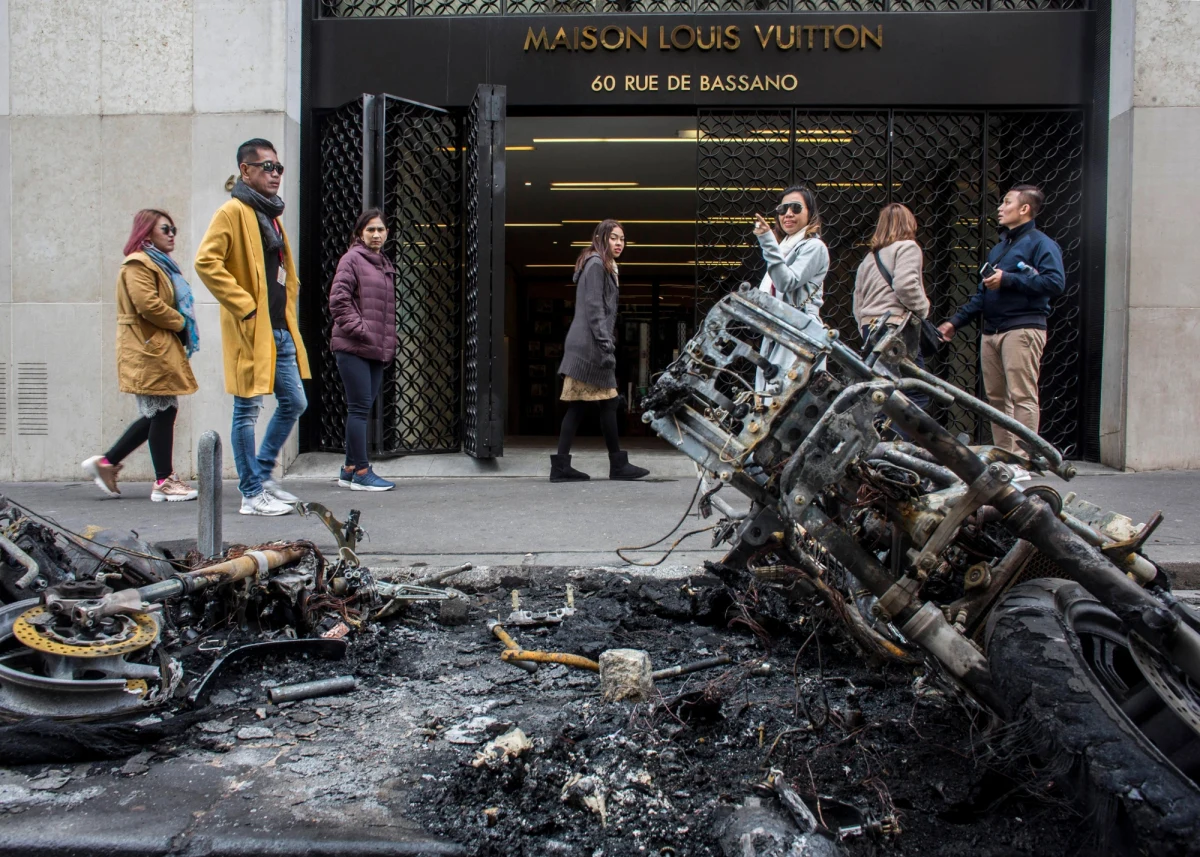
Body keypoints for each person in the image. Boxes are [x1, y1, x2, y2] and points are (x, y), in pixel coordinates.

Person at [195, 138, 310, 516]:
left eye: (279, 167)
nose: (276, 174)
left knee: (294, 402)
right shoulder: (233, 211)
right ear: (246, 170)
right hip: (252, 330)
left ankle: (263, 476)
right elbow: (206, 262)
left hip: (279, 329)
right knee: (247, 410)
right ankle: (250, 493)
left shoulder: (270, 214)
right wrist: (245, 308)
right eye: (267, 167)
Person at [937, 184, 1065, 459]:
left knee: (1022, 395)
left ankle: (1024, 458)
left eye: (1006, 202)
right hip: (992, 331)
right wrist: (954, 322)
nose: (1000, 208)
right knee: (996, 399)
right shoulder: (1000, 249)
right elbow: (982, 294)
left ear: (1024, 209)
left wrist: (1008, 279)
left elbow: (1055, 282)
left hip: (1022, 328)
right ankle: (1005, 457)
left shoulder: (1041, 243)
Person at [82, 210, 200, 501]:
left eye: (174, 228)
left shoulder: (159, 264)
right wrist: (181, 322)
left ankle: (108, 462)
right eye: (165, 229)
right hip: (147, 347)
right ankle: (163, 481)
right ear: (147, 233)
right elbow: (148, 305)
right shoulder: (138, 264)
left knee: (159, 412)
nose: (172, 233)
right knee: (161, 411)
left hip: (154, 346)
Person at [550, 219, 649, 483]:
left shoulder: (602, 265)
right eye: (613, 238)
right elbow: (595, 310)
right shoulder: (596, 265)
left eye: (622, 239)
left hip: (588, 344)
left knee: (595, 405)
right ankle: (613, 465)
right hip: (590, 347)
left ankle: (571, 465)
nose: (619, 243)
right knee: (595, 404)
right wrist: (606, 346)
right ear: (601, 239)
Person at [329, 209, 397, 491]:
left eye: (381, 229)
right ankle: (362, 471)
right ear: (359, 233)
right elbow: (339, 301)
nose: (376, 234)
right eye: (370, 230)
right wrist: (363, 331)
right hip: (355, 346)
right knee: (358, 409)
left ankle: (348, 468)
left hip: (375, 349)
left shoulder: (383, 263)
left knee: (363, 407)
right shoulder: (351, 259)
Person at [752, 185, 829, 389]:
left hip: (799, 331)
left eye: (796, 208)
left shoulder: (814, 246)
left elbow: (786, 282)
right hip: (780, 330)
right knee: (768, 396)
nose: (788, 214)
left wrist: (767, 242)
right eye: (782, 209)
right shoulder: (785, 247)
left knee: (785, 395)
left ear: (810, 213)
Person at [853, 202, 930, 357]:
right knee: (912, 379)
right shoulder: (908, 247)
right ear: (908, 223)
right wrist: (923, 309)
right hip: (895, 327)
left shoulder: (869, 258)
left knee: (878, 379)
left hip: (870, 328)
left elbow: (858, 299)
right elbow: (905, 286)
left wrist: (864, 326)